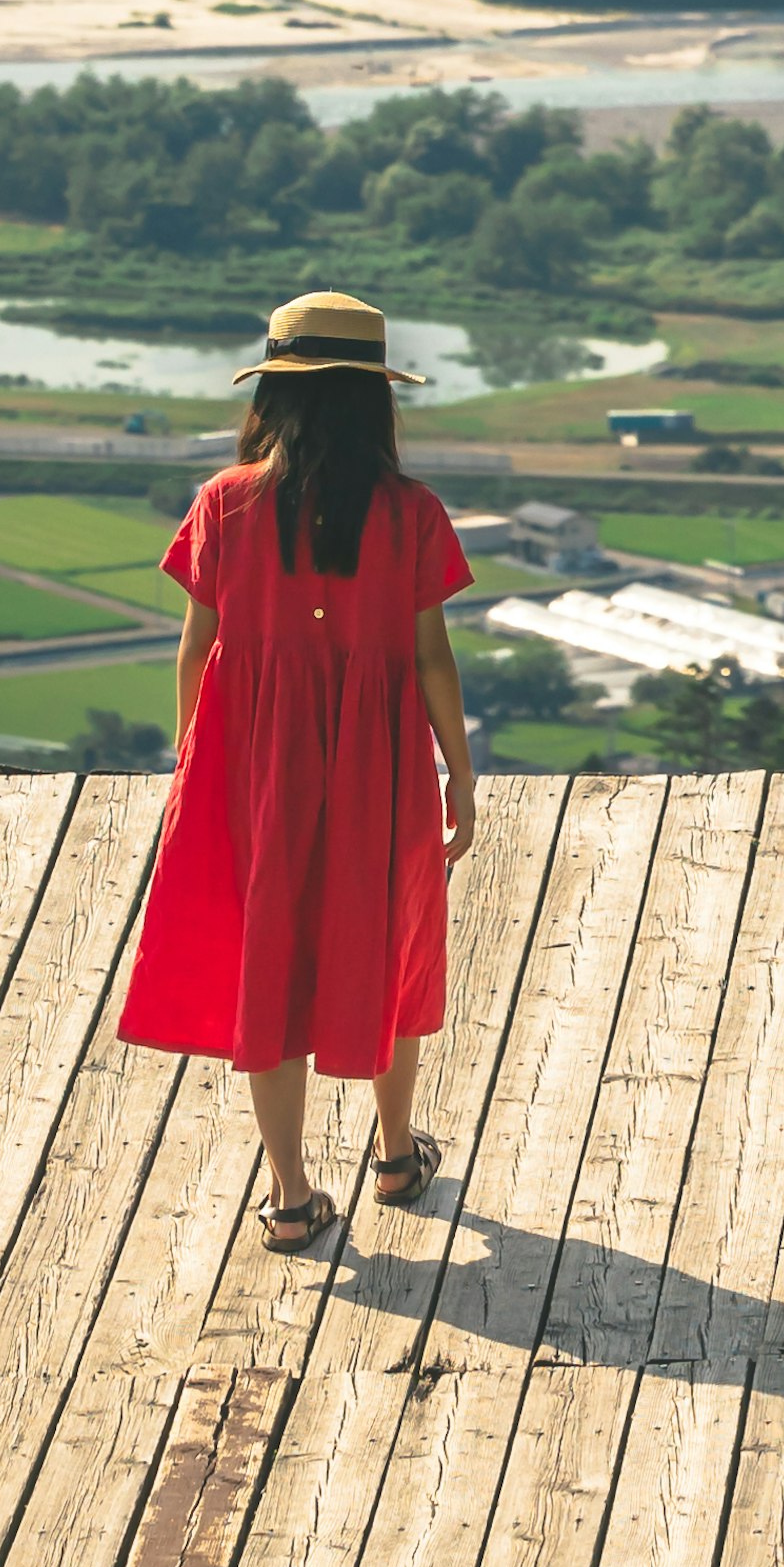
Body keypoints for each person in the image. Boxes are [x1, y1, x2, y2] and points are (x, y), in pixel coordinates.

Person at [116, 283, 479, 1249]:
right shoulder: (411, 514)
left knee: (268, 964)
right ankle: (397, 1158)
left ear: (272, 398)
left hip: (255, 769)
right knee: (392, 940)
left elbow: (198, 652)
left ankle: (288, 1199)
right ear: (376, 401)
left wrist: (200, 762)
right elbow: (429, 658)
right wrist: (461, 774)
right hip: (382, 764)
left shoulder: (224, 506)